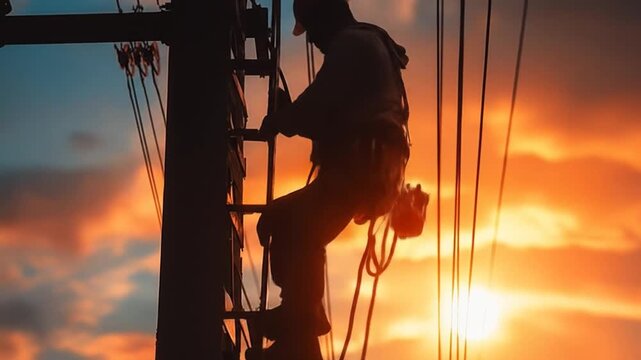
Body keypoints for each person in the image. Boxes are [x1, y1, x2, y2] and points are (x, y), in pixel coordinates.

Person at [252, 0, 411, 358]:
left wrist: (284, 119)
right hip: (370, 167)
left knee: (294, 223)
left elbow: (320, 105)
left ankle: (300, 334)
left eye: (311, 29)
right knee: (294, 223)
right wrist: (292, 115)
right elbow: (333, 115)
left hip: (363, 166)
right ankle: (299, 319)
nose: (313, 42)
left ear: (325, 13)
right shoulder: (366, 45)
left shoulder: (352, 45)